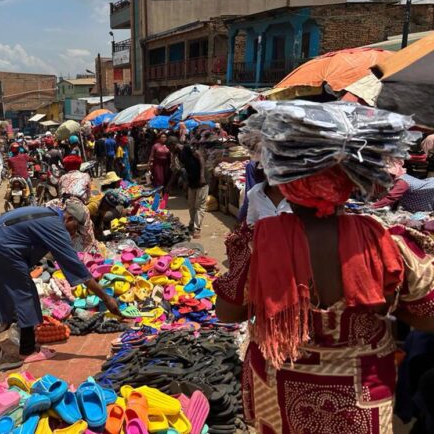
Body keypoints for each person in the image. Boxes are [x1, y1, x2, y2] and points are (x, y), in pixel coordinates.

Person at [214, 163, 434, 433]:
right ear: (349, 185)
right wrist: (391, 307)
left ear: (286, 185)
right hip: (361, 389)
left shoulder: (258, 242)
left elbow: (227, 312)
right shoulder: (384, 243)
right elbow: (428, 318)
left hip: (278, 383)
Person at [0, 204, 123, 362]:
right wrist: (106, 298)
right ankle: (27, 350)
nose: (74, 232)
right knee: (26, 295)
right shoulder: (56, 226)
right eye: (76, 227)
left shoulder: (50, 214)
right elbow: (76, 267)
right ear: (69, 218)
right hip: (5, 249)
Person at [178, 142, 207, 239]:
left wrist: (202, 176)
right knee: (191, 205)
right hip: (192, 181)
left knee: (199, 206)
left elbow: (201, 158)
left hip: (201, 181)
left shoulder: (187, 147)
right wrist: (186, 183)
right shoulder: (179, 155)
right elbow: (185, 169)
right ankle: (192, 224)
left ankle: (197, 228)